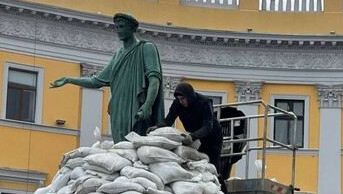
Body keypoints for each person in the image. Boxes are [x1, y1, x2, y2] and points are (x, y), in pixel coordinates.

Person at [50, 13, 164, 143]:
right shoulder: (117, 56)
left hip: (137, 106)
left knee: (138, 144)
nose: (118, 30)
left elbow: (155, 79)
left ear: (132, 28)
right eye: (116, 27)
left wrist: (148, 104)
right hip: (118, 109)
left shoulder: (146, 48)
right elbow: (96, 81)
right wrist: (69, 79)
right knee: (121, 146)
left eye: (121, 26)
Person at [152, 82, 223, 173]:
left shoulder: (204, 103)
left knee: (213, 166)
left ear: (189, 96)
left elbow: (208, 126)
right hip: (195, 138)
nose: (181, 102)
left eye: (183, 99)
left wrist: (192, 137)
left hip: (212, 138)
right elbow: (168, 120)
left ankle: (219, 185)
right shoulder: (177, 104)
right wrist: (157, 128)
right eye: (179, 99)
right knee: (196, 164)